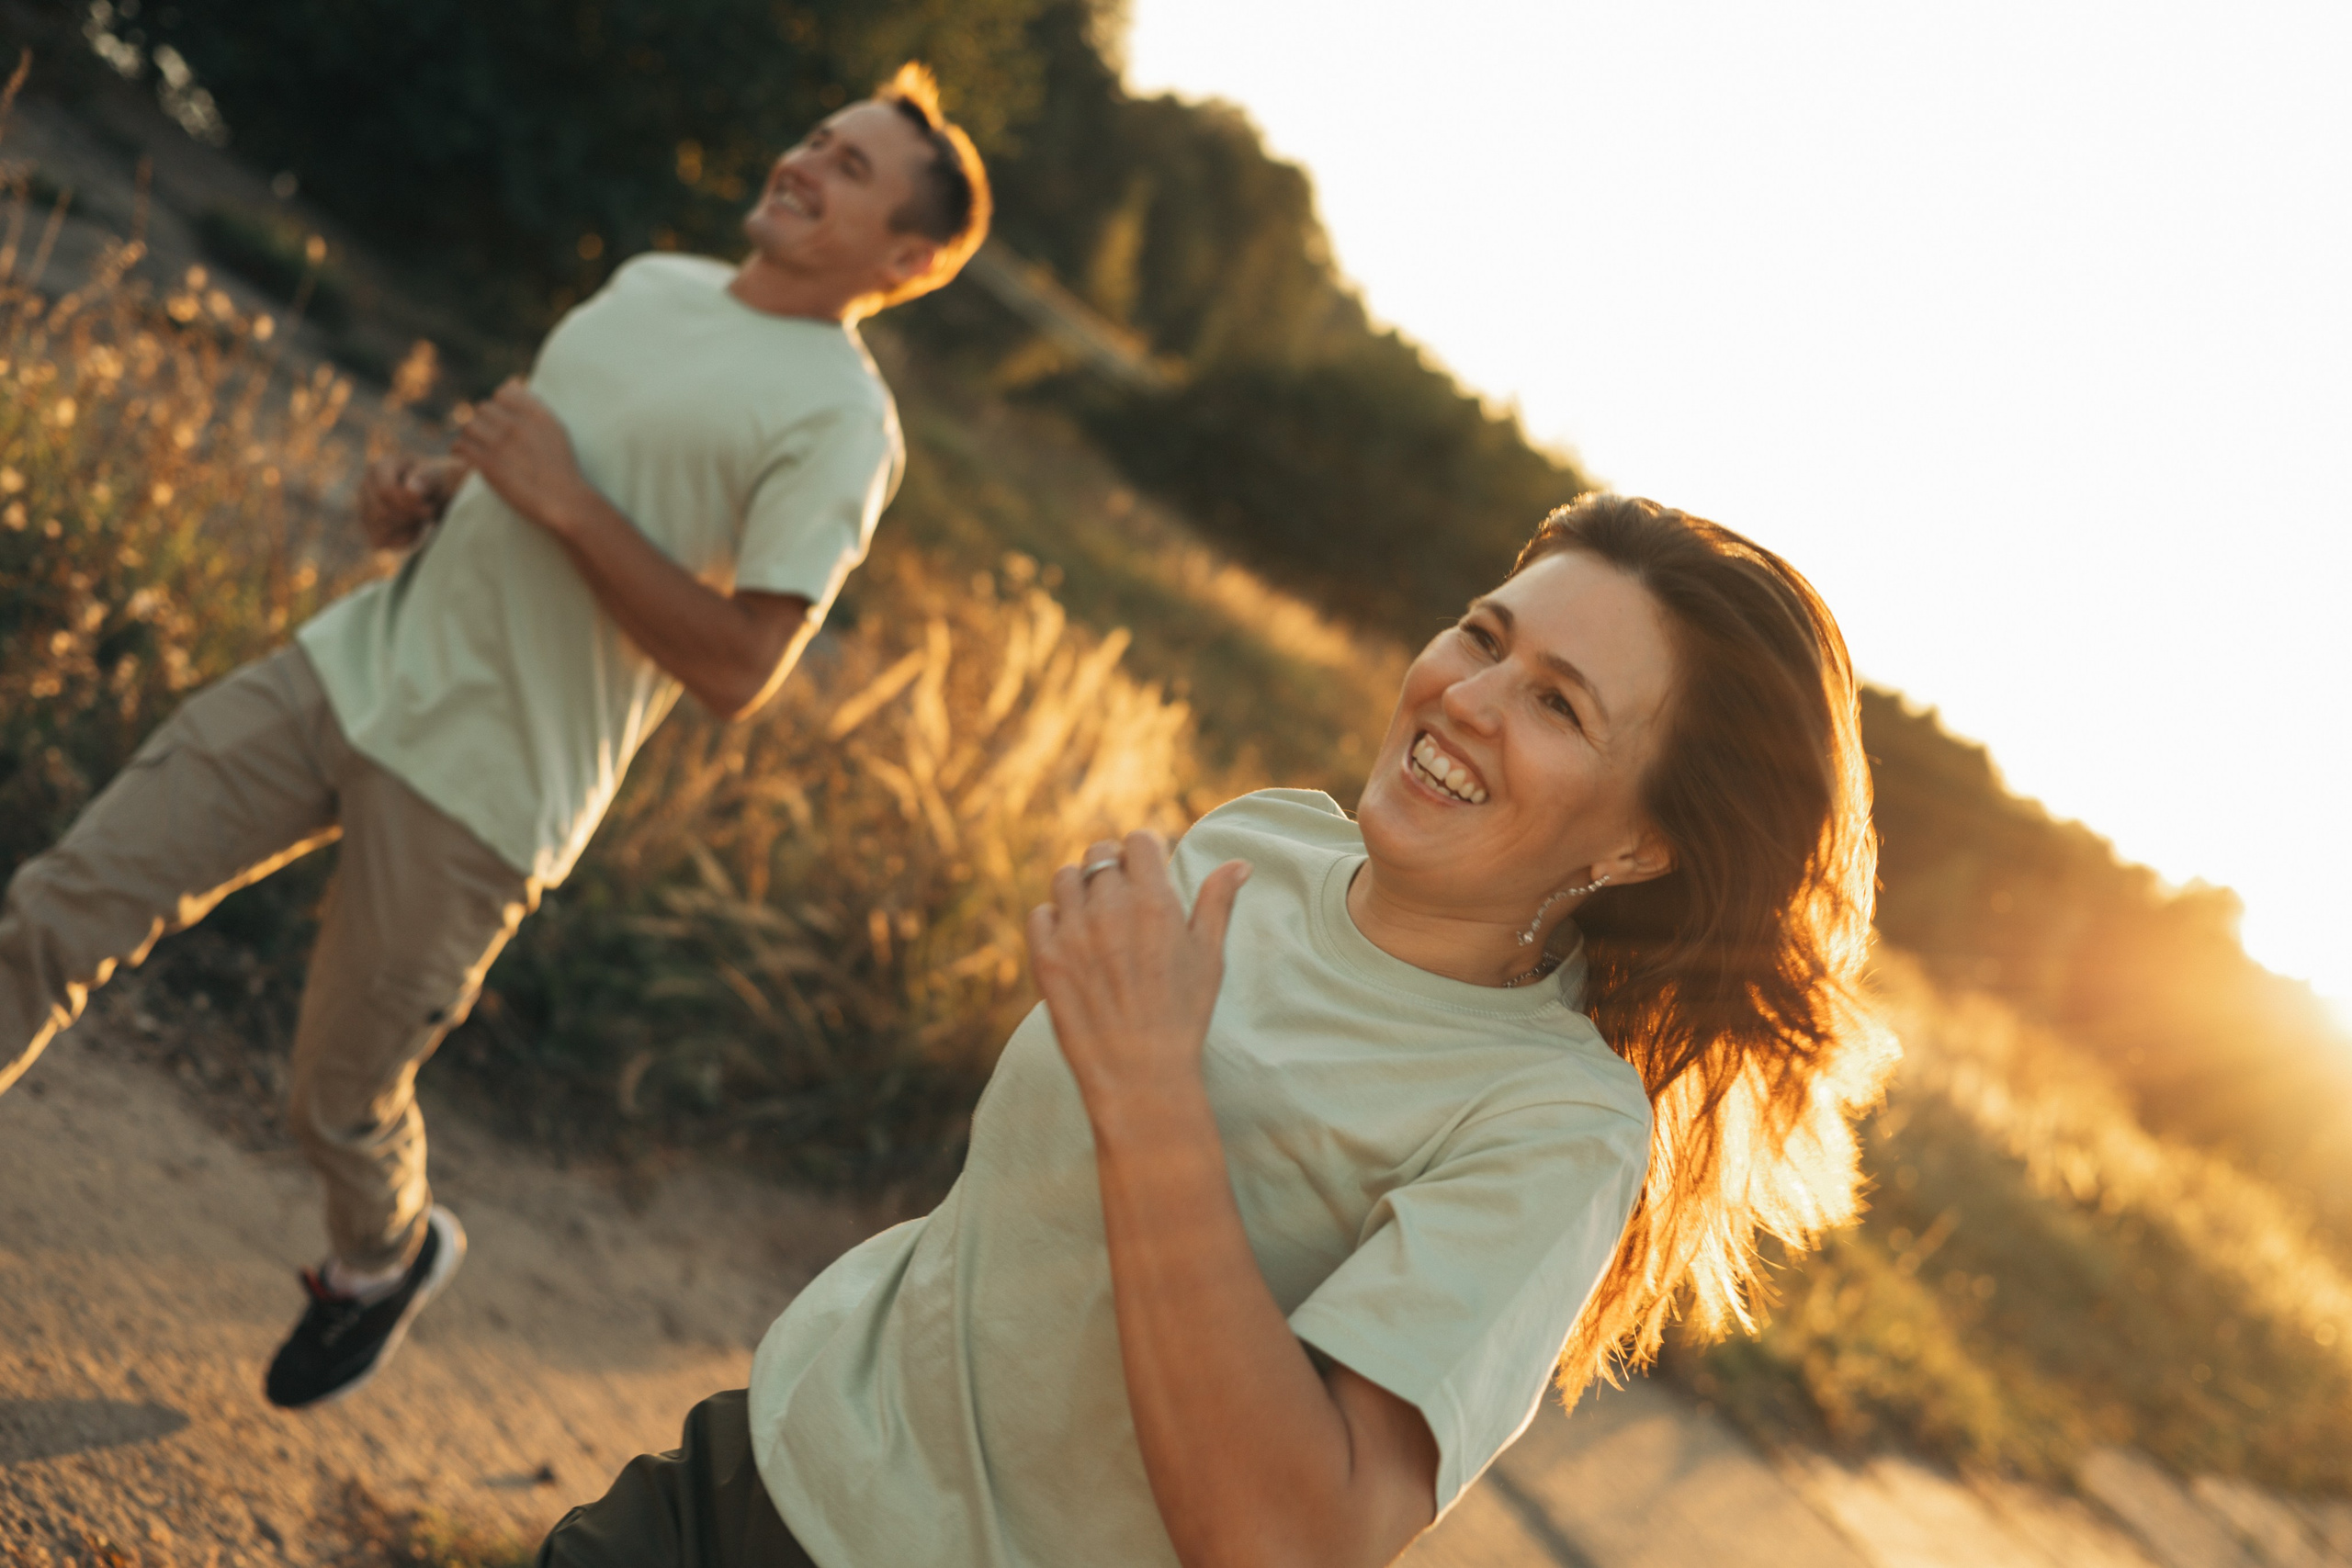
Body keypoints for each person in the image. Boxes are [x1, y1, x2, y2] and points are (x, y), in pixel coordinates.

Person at [535, 495, 1896, 1568]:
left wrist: (1150, 1093)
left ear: (1641, 844)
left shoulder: (1555, 1126)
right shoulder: (1261, 843)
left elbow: (1289, 1541)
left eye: (1559, 704)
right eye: (1485, 637)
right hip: (755, 1470)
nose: (1468, 699)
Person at [0, 64, 991, 1411]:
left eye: (853, 168)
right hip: (353, 667)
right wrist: (429, 490)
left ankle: (385, 1254)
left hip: (487, 787)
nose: (806, 162)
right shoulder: (651, 283)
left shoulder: (843, 423)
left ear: (908, 260)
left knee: (336, 1100)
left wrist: (566, 503)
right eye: (818, 137)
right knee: (58, 911)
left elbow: (743, 667)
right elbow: (527, 458)